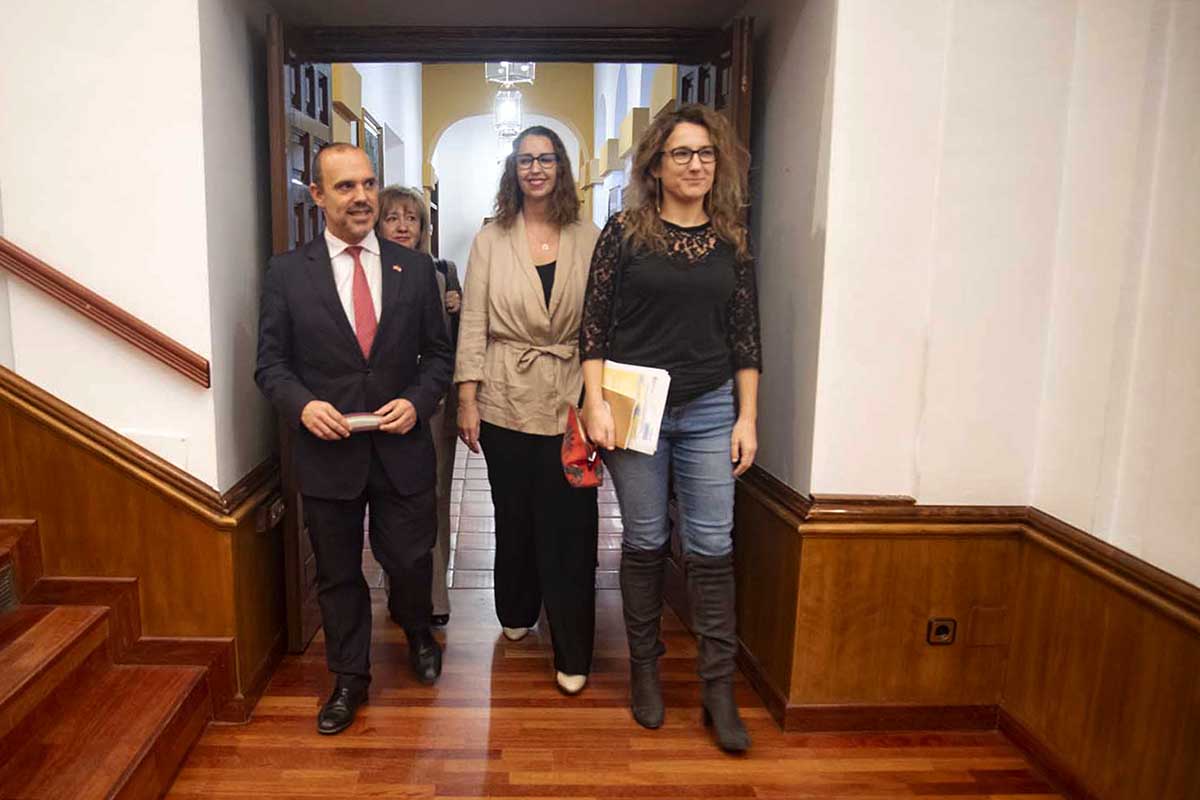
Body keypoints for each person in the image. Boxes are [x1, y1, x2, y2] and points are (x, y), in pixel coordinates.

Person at [578, 105, 762, 752]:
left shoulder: (731, 243)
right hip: (634, 407)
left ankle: (717, 687)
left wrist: (749, 418)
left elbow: (746, 338)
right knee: (648, 537)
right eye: (681, 153)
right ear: (656, 165)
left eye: (706, 153)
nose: (695, 165)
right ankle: (645, 670)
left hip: (712, 406)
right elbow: (593, 327)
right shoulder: (624, 233)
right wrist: (594, 403)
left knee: (713, 546)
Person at [255, 144, 453, 736]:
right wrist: (303, 406)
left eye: (368, 183)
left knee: (411, 559)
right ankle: (349, 678)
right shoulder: (287, 273)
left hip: (401, 449)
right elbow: (271, 364)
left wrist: (418, 403)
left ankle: (418, 631)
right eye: (345, 187)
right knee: (339, 573)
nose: (362, 196)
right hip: (327, 454)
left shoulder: (416, 269)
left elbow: (439, 357)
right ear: (317, 195)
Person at [455, 125, 601, 695]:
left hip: (573, 399)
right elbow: (472, 323)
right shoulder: (491, 238)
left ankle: (572, 646)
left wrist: (602, 402)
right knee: (513, 512)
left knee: (570, 522)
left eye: (546, 159)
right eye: (524, 160)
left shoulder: (590, 236)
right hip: (504, 395)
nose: (535, 168)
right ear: (512, 172)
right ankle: (515, 607)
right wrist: (467, 398)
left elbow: (604, 325)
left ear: (562, 168)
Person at [377, 185, 460, 628]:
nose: (403, 225)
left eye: (412, 218)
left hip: (431, 405)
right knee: (389, 500)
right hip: (378, 408)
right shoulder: (365, 273)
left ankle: (434, 600)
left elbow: (452, 346)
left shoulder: (442, 272)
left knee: (433, 499)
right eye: (393, 218)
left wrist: (459, 309)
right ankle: (399, 594)